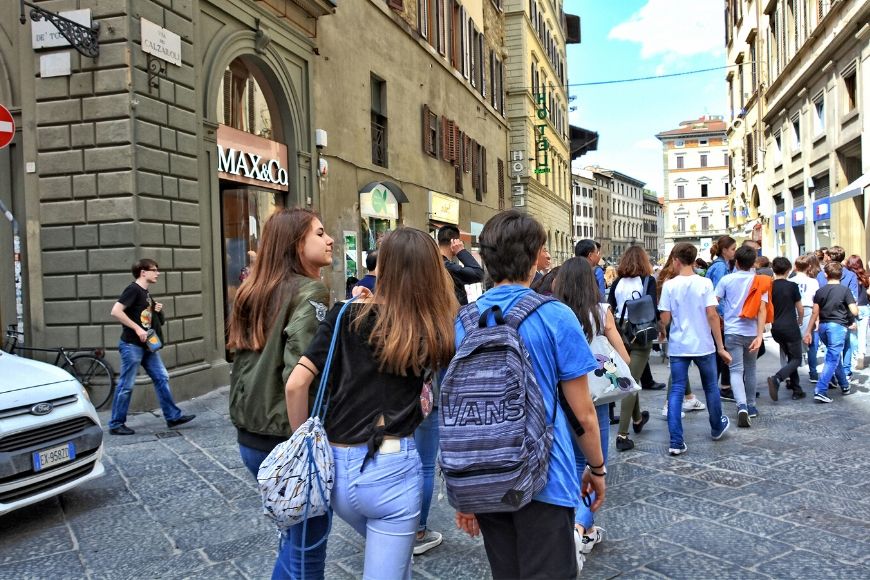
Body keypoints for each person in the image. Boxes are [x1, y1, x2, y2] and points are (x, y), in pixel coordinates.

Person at [285, 228, 457, 580]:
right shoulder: (433, 324)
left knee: (395, 565)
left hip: (335, 467)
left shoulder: (344, 314)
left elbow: (296, 384)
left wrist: (302, 440)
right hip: (393, 466)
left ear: (383, 267)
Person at [455, 210, 604, 579]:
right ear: (536, 253)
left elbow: (458, 410)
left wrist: (464, 491)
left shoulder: (464, 321)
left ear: (485, 258)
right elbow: (583, 412)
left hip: (485, 473)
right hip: (545, 475)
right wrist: (597, 468)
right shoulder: (556, 315)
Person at [226, 208, 333, 579]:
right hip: (286, 434)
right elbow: (300, 375)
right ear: (295, 244)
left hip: (251, 436)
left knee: (293, 540)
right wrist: (305, 445)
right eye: (319, 233)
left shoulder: (253, 289)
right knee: (307, 549)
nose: (329, 239)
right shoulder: (311, 290)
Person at [553, 257, 630, 569]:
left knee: (569, 463)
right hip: (595, 398)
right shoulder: (601, 311)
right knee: (595, 464)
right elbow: (622, 355)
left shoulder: (553, 313)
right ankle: (580, 528)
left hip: (562, 395)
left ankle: (573, 525)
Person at [659, 243, 731, 456]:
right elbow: (712, 315)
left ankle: (676, 441)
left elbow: (665, 317)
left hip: (680, 345)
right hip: (703, 345)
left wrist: (664, 329)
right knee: (710, 387)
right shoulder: (705, 283)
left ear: (676, 260)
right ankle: (717, 426)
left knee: (676, 391)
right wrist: (720, 346)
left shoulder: (669, 285)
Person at [108, 259, 195, 436]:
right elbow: (116, 311)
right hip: (132, 345)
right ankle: (116, 423)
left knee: (161, 377)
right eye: (154, 270)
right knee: (126, 384)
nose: (157, 273)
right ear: (143, 272)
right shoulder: (133, 289)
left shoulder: (146, 293)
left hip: (147, 346)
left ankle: (172, 416)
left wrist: (157, 310)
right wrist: (138, 329)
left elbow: (152, 319)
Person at [606, 246, 656, 452]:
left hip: (620, 332)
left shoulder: (617, 282)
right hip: (642, 333)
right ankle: (622, 434)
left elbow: (609, 306)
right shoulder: (648, 281)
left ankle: (637, 419)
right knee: (630, 382)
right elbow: (653, 305)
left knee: (629, 375)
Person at [715, 246, 767, 428]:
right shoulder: (760, 281)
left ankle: (741, 405)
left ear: (736, 262)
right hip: (752, 331)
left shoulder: (726, 280)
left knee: (735, 370)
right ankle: (751, 405)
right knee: (751, 368)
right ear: (753, 262)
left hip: (732, 331)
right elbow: (762, 309)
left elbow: (715, 302)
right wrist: (760, 335)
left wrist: (722, 317)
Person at [803, 261, 858, 402]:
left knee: (834, 356)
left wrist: (808, 330)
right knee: (832, 358)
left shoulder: (820, 291)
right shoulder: (845, 290)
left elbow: (815, 313)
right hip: (837, 327)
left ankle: (844, 385)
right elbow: (854, 310)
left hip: (823, 327)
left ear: (825, 275)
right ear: (841, 275)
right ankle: (821, 390)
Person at [767, 257, 806, 401]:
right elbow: (800, 309)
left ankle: (797, 389)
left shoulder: (770, 286)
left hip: (776, 328)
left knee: (791, 357)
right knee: (796, 358)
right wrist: (800, 320)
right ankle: (777, 378)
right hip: (790, 327)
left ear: (773, 269)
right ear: (788, 270)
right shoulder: (792, 286)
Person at [706, 235, 736, 401]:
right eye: (732, 249)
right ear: (725, 250)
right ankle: (724, 386)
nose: (734, 252)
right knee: (723, 352)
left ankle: (721, 385)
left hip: (718, 315)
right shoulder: (720, 268)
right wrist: (722, 316)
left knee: (721, 353)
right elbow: (718, 295)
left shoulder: (719, 266)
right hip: (720, 316)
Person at [826, 247, 859, 377]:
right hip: (844, 314)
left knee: (831, 346)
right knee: (846, 343)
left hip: (827, 315)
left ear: (829, 257)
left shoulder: (823, 274)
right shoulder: (850, 275)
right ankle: (845, 371)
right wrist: (852, 318)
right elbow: (853, 298)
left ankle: (835, 372)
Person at [438, 225, 484, 305]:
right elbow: (478, 274)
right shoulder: (447, 267)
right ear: (455, 242)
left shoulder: (434, 263)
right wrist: (461, 251)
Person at [792, 255, 821, 382]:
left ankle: (792, 373)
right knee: (811, 343)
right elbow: (817, 301)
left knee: (793, 342)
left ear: (795, 267)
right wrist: (818, 318)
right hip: (809, 309)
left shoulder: (791, 280)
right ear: (808, 267)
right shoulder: (813, 281)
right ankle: (813, 372)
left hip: (793, 310)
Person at [844, 255, 870, 370]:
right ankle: (861, 355)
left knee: (852, 334)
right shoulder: (865, 276)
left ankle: (854, 356)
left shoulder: (848, 276)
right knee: (863, 334)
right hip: (864, 307)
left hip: (853, 306)